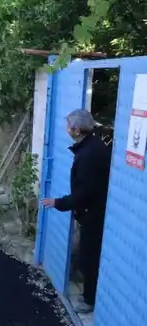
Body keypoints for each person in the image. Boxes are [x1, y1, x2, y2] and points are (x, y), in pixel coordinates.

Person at [42, 108, 111, 314]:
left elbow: (84, 192)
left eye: (68, 125)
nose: (66, 129)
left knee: (89, 257)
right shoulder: (91, 146)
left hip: (93, 213)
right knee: (86, 255)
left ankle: (89, 299)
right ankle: (88, 289)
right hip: (91, 210)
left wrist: (58, 202)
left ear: (76, 129)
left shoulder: (89, 154)